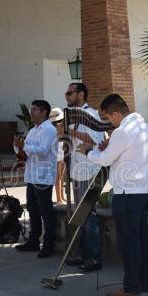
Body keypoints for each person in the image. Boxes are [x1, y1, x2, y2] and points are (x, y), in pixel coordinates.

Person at [80, 94, 148, 296]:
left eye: (108, 118)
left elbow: (104, 159)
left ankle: (131, 287)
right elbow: (124, 154)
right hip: (142, 190)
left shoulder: (123, 131)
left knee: (129, 242)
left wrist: (88, 151)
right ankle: (147, 282)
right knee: (142, 239)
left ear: (116, 113)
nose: (108, 123)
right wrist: (109, 147)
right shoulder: (142, 125)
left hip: (127, 194)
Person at [63, 82, 105, 272]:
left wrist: (69, 132)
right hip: (77, 169)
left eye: (70, 93)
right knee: (79, 214)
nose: (67, 97)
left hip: (90, 170)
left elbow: (97, 140)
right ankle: (81, 253)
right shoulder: (73, 117)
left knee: (89, 214)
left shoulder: (91, 115)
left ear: (80, 94)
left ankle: (94, 257)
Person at [13, 100, 57, 258]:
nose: (30, 113)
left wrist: (24, 146)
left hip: (43, 177)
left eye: (34, 110)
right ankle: (33, 240)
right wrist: (18, 146)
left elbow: (44, 151)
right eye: (30, 109)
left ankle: (48, 244)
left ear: (44, 111)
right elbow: (26, 152)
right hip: (32, 175)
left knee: (45, 211)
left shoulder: (49, 130)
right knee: (32, 209)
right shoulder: (32, 131)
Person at [49, 107, 66, 205]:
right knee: (59, 176)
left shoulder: (58, 127)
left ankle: (62, 197)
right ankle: (59, 199)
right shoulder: (54, 128)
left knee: (61, 176)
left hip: (62, 151)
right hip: (57, 152)